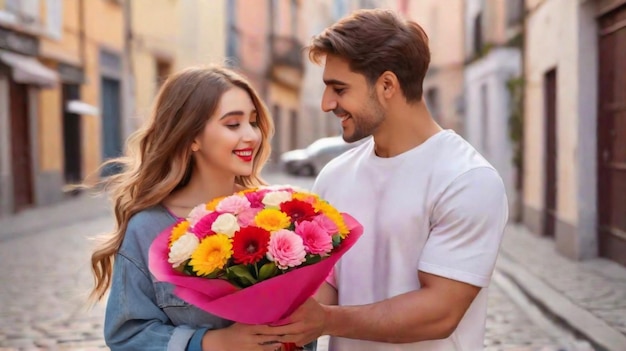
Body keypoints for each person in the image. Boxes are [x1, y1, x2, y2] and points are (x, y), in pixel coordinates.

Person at [266, 9, 509, 351]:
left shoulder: (467, 179)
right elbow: (326, 287)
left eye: (339, 88)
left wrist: (326, 320)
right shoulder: (334, 175)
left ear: (387, 85)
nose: (327, 104)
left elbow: (440, 313)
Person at [88, 65, 285, 351]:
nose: (252, 136)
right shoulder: (147, 228)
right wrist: (213, 342)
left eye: (253, 122)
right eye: (233, 124)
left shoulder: (274, 213)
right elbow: (128, 335)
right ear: (192, 137)